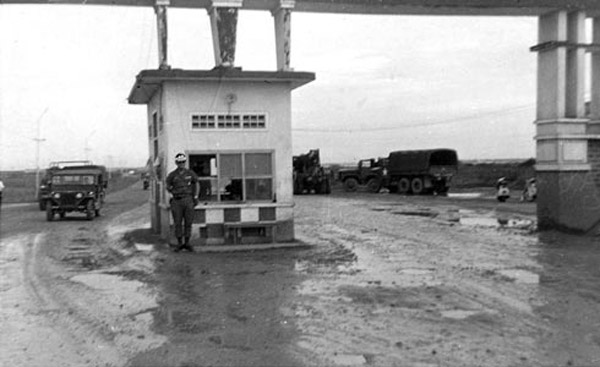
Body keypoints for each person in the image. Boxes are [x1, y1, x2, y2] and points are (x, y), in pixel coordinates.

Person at [166, 153, 199, 252]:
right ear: (176, 163)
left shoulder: (190, 173)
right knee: (178, 223)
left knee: (188, 222)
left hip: (188, 199)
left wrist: (196, 196)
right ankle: (180, 243)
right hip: (177, 201)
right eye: (179, 162)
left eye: (183, 162)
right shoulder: (172, 175)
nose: (181, 164)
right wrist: (173, 192)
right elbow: (167, 186)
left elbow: (196, 183)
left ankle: (187, 242)